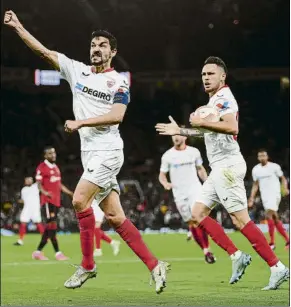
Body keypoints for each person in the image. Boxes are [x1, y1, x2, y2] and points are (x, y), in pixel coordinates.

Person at [4, 11, 169, 293]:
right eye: (93, 44)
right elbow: (43, 51)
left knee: (80, 201)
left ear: (112, 52)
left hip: (109, 151)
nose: (96, 48)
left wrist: (80, 122)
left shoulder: (118, 81)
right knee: (116, 218)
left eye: (103, 45)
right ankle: (155, 265)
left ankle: (88, 266)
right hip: (90, 154)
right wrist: (18, 26)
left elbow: (117, 115)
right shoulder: (75, 70)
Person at [155, 56, 289, 290]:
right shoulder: (213, 103)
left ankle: (277, 267)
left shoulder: (225, 98)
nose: (206, 78)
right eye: (204, 75)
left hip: (228, 165)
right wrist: (181, 130)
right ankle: (237, 256)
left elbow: (232, 127)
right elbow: (206, 132)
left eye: (211, 74)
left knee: (240, 219)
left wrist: (200, 124)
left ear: (222, 76)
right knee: (197, 214)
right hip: (218, 168)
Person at [159, 134, 216, 263]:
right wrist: (165, 183)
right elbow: (162, 175)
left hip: (194, 189)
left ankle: (207, 249)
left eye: (178, 135)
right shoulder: (167, 156)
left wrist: (207, 182)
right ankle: (205, 250)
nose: (176, 138)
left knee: (198, 218)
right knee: (191, 222)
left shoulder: (193, 152)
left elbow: (200, 169)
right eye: (173, 135)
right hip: (179, 193)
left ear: (185, 137)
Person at [32, 146, 74, 260]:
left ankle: (37, 252)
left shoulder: (55, 167)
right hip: (47, 202)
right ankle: (57, 253)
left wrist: (70, 193)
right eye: (50, 153)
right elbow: (38, 184)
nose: (53, 155)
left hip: (56, 201)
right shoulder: (42, 167)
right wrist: (45, 193)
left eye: (54, 153)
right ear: (45, 155)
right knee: (52, 227)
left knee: (50, 228)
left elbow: (59, 184)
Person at [249, 149, 290, 250]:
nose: (262, 157)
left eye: (264, 155)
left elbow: (283, 178)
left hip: (275, 194)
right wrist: (251, 198)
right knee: (275, 219)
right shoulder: (256, 169)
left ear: (267, 157)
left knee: (268, 215)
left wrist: (285, 188)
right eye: (260, 156)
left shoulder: (274, 167)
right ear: (258, 158)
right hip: (265, 195)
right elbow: (255, 185)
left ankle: (272, 242)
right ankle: (288, 240)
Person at [14, 177, 44, 246]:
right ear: (25, 182)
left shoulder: (35, 186)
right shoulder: (23, 190)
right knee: (23, 223)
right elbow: (23, 200)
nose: (28, 181)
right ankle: (20, 241)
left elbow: (40, 181)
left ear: (32, 181)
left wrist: (39, 176)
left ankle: (45, 238)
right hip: (27, 208)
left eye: (30, 180)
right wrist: (18, 201)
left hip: (35, 209)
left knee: (38, 223)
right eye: (27, 180)